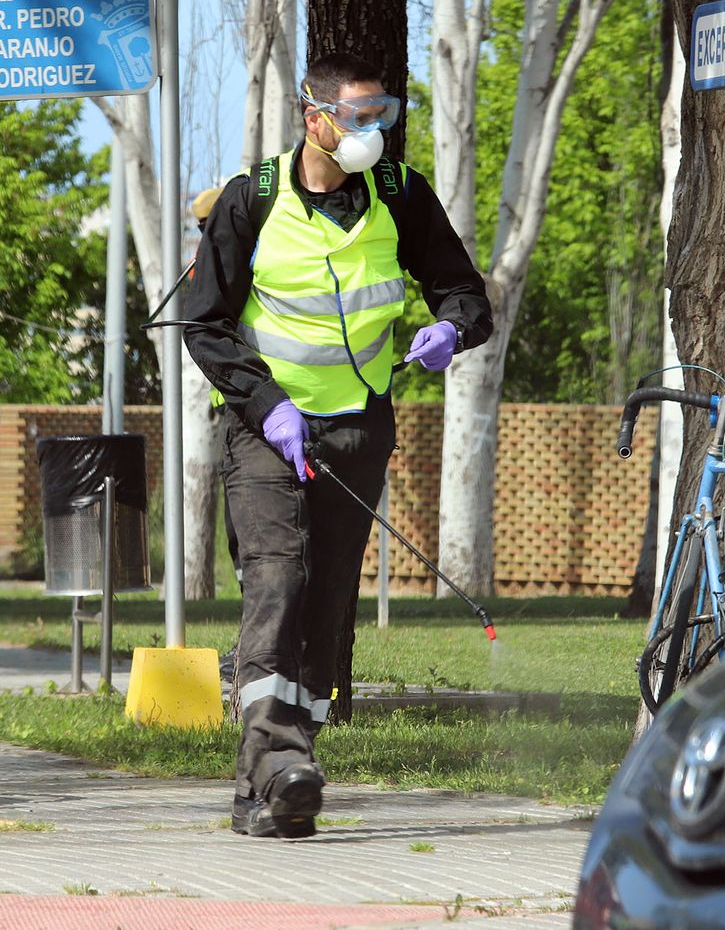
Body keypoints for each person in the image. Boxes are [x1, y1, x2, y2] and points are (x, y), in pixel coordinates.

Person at [183, 52, 493, 839]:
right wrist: (264, 401)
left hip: (357, 427)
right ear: (313, 116)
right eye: (357, 117)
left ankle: (282, 778)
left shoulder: (400, 195)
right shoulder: (252, 199)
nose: (373, 131)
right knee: (277, 581)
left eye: (381, 114)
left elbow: (465, 291)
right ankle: (280, 760)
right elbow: (204, 322)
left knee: (326, 603)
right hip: (268, 430)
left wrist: (449, 329)